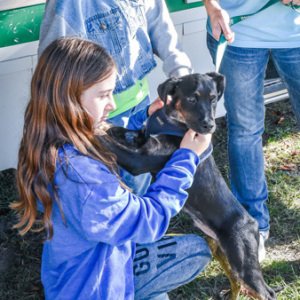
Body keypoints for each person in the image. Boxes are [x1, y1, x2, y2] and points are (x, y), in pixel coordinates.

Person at [12, 37, 212, 300]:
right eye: (104, 95)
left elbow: (104, 138)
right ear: (69, 98)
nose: (113, 104)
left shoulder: (50, 139)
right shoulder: (86, 182)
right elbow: (148, 221)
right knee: (197, 250)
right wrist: (186, 158)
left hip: (74, 274)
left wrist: (144, 120)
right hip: (98, 290)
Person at [37, 0, 193, 196]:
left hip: (141, 107)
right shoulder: (69, 4)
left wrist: (182, 76)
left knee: (137, 182)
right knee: (104, 193)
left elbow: (159, 24)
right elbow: (53, 68)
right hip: (97, 121)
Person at [203, 0, 300, 261]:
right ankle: (253, 227)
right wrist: (212, 7)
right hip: (238, 32)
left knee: (245, 132)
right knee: (245, 131)